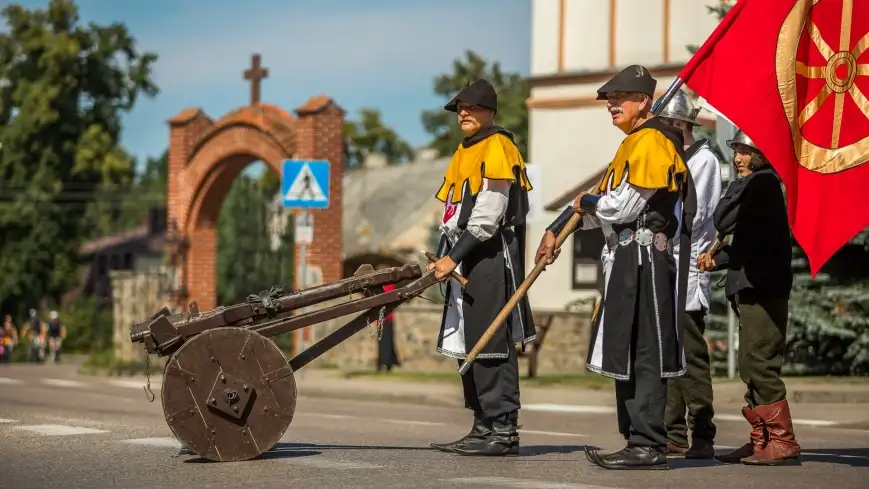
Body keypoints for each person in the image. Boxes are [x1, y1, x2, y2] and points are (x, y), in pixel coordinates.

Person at [537, 65, 695, 470]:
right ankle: (635, 439)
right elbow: (601, 210)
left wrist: (586, 202)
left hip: (645, 259)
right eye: (609, 99)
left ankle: (649, 443)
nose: (611, 105)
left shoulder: (654, 141)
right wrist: (557, 230)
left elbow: (621, 207)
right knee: (624, 349)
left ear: (643, 101)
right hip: (624, 258)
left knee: (645, 352)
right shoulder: (631, 145)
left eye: (619, 98)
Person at [426, 78, 535, 457]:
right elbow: (453, 213)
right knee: (468, 341)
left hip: (489, 255)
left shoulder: (498, 145)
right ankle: (482, 425)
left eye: (471, 108)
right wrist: (445, 252)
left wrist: (453, 257)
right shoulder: (464, 150)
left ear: (490, 111)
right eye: (460, 109)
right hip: (464, 253)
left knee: (490, 341)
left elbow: (489, 214)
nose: (463, 114)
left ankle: (503, 430)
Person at [697, 129, 800, 465]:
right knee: (750, 365)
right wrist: (718, 259)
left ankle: (782, 440)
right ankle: (761, 440)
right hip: (751, 287)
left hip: (763, 290)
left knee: (760, 364)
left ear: (762, 154)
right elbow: (747, 243)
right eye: (736, 151)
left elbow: (722, 219)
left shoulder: (761, 184)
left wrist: (735, 185)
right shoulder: (757, 187)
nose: (737, 158)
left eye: (744, 152)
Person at [657, 90, 722, 459]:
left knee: (691, 356)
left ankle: (702, 431)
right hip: (665, 264)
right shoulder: (666, 156)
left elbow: (697, 215)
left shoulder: (704, 160)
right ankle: (673, 432)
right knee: (668, 353)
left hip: (689, 264)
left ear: (678, 123)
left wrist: (660, 219)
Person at [375, 264, 401, 372]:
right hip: (382, 318)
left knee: (386, 342)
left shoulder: (387, 284)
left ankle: (385, 363)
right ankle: (384, 363)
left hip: (386, 318)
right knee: (383, 342)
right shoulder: (382, 284)